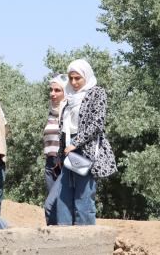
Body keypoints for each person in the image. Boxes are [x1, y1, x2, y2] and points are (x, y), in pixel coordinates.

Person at [55, 59, 117, 225]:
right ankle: (64, 238)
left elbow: (97, 123)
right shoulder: (69, 97)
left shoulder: (97, 93)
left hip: (85, 151)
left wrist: (77, 142)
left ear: (86, 76)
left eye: (78, 78)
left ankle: (86, 239)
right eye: (71, 78)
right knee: (64, 196)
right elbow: (64, 127)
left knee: (83, 196)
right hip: (69, 152)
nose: (74, 82)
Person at [42, 74, 67, 225]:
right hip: (50, 165)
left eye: (57, 90)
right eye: (51, 90)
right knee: (55, 207)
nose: (53, 93)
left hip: (63, 164)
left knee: (51, 205)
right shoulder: (51, 113)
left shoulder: (68, 112)